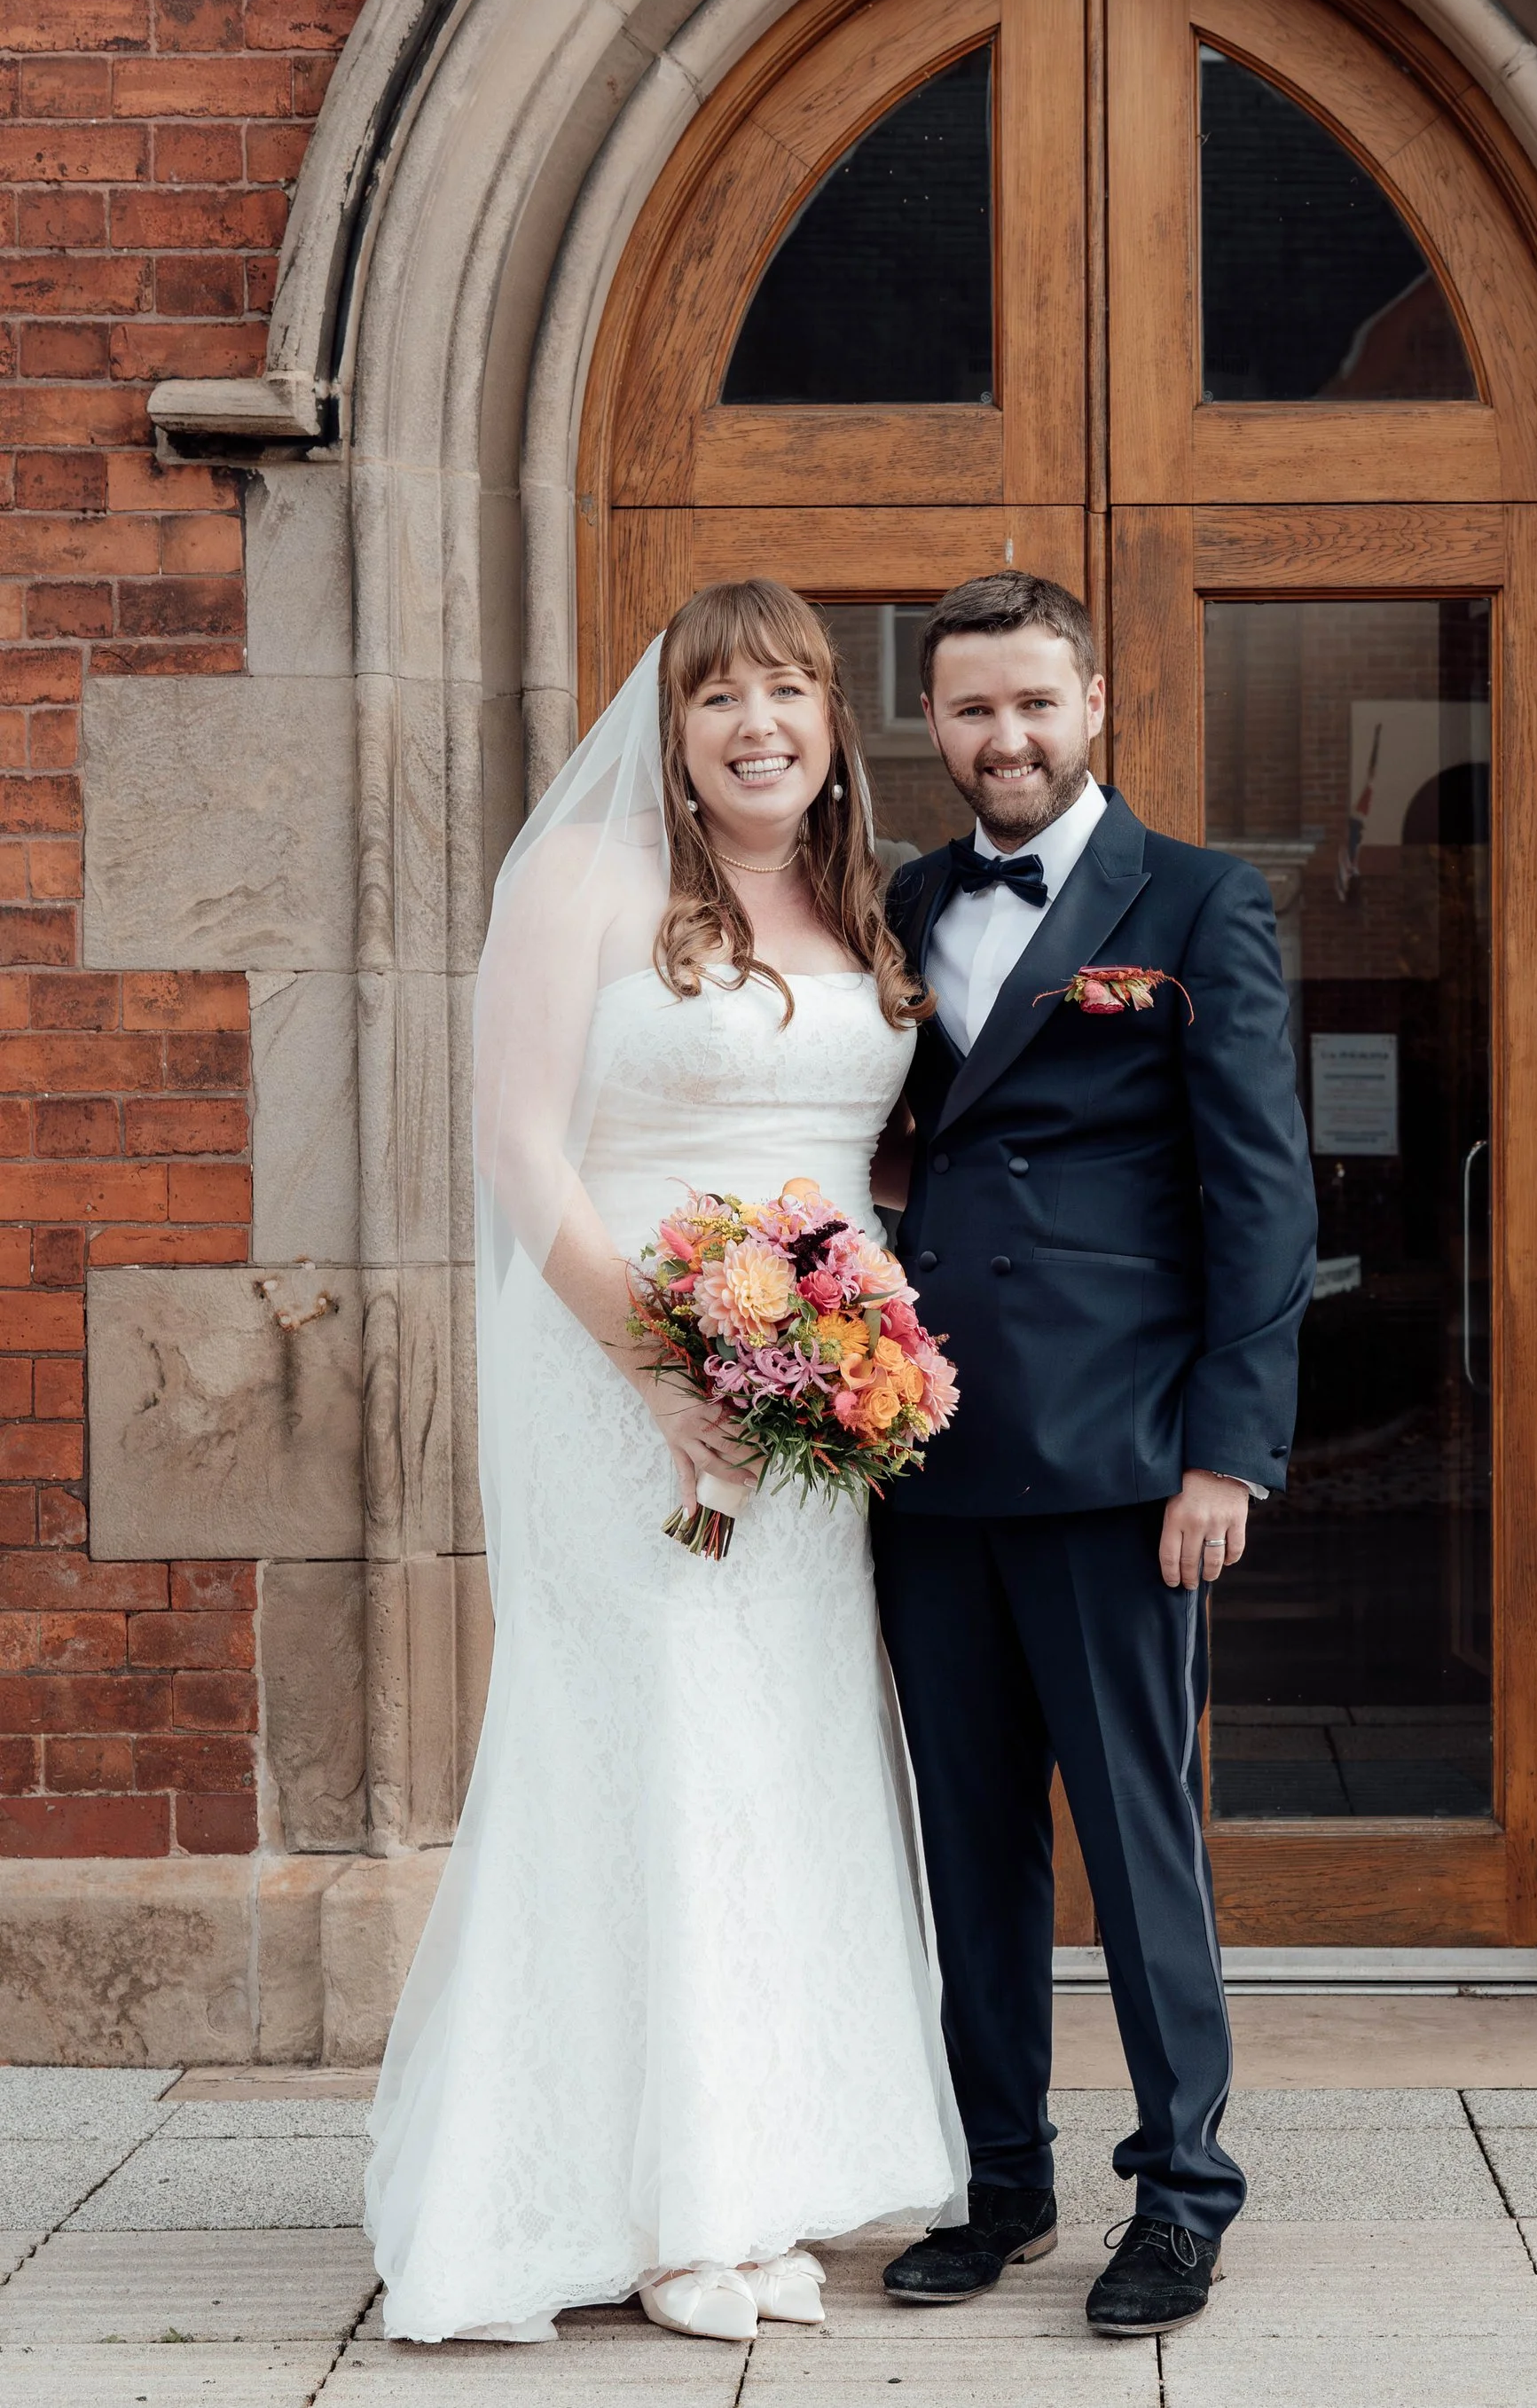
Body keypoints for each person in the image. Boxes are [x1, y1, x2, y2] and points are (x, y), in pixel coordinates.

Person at [364, 579, 965, 2347]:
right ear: (673, 728)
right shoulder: (586, 880)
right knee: (646, 1741)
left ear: (833, 722)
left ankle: (749, 2173)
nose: (756, 721)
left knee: (774, 1748)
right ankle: (660, 2210)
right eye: (721, 697)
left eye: (788, 689)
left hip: (807, 1406)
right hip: (619, 1381)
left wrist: (852, 1348)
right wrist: (656, 1369)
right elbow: (517, 1148)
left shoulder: (857, 899)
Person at [873, 571, 1315, 2339]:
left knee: (1137, 1841)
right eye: (972, 709)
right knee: (968, 1836)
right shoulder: (906, 899)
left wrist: (1230, 1451)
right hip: (926, 1455)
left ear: (1095, 701)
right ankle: (998, 2178)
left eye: (1033, 705)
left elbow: (1262, 1195)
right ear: (934, 722)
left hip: (1124, 1457)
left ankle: (1183, 2190)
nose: (1005, 739)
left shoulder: (1199, 901)